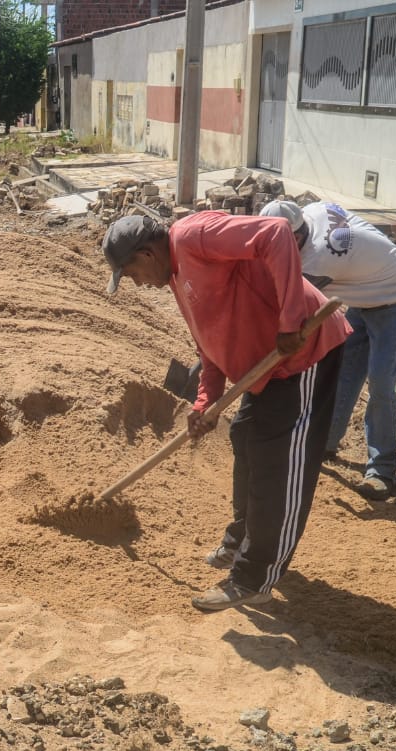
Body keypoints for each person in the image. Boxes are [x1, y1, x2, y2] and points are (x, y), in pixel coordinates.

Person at [102, 212, 351, 612]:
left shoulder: (193, 236)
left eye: (130, 273)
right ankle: (242, 540)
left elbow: (275, 233)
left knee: (276, 463)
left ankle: (255, 578)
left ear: (146, 254)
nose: (136, 283)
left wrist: (289, 320)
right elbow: (210, 343)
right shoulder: (176, 279)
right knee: (244, 439)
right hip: (263, 368)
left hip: (302, 355)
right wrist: (205, 403)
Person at [259, 200, 396, 499]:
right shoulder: (312, 210)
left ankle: (382, 470)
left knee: (381, 383)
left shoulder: (318, 260)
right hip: (365, 290)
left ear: (296, 236)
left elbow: (285, 313)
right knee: (344, 373)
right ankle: (324, 442)